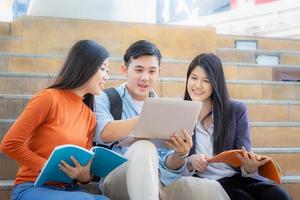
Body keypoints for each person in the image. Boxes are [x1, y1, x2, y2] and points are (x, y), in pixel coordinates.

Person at [94, 40, 229, 200]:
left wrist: (181, 153)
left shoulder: (165, 108)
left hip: (160, 180)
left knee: (209, 188)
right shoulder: (106, 97)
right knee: (144, 147)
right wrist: (146, 119)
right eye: (139, 70)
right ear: (125, 70)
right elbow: (104, 133)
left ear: (158, 72)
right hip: (119, 178)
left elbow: (170, 163)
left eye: (152, 71)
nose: (145, 77)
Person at [165, 53, 291, 200]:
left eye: (206, 80)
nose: (197, 85)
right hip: (209, 184)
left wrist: (250, 167)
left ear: (215, 83)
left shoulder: (236, 110)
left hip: (239, 178)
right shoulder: (180, 113)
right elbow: (172, 164)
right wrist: (190, 162)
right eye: (193, 78)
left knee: (279, 195)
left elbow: (244, 152)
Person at [0, 40, 110, 200]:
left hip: (69, 189)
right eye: (103, 69)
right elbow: (10, 144)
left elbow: (84, 173)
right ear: (85, 66)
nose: (107, 76)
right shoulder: (48, 98)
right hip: (33, 186)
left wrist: (84, 175)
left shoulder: (90, 116)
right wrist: (48, 167)